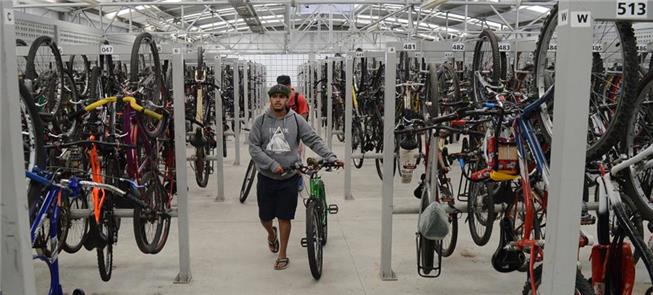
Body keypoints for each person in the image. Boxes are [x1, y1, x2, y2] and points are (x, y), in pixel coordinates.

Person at [248, 84, 342, 271]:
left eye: (281, 97)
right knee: (265, 216)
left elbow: (313, 140)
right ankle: (271, 234)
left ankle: (283, 254)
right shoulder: (261, 121)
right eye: (274, 96)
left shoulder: (297, 120)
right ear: (270, 99)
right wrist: (272, 165)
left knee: (285, 217)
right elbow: (254, 147)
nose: (277, 100)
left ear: (287, 99)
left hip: (290, 177)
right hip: (266, 177)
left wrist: (330, 156)